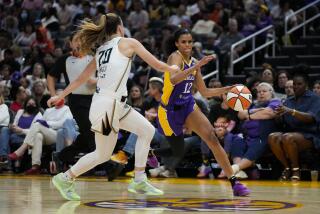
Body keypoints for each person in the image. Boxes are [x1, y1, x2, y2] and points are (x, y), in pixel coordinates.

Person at [47, 13, 203, 201]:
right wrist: (172, 69)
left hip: (113, 104)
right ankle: (65, 178)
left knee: (146, 130)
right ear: (120, 27)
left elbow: (81, 78)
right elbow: (156, 64)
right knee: (102, 154)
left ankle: (139, 178)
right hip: (107, 106)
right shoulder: (128, 42)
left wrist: (60, 95)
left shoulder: (102, 48)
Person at [154, 28, 250, 196]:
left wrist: (228, 88)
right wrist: (197, 66)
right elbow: (174, 79)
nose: (187, 45)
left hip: (188, 106)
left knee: (212, 138)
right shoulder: (175, 57)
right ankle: (151, 153)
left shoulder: (194, 62)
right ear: (177, 43)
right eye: (183, 42)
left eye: (190, 41)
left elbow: (204, 92)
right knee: (177, 149)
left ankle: (234, 182)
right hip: (169, 111)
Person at [47, 33, 96, 167]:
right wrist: (53, 95)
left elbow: (103, 78)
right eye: (76, 40)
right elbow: (51, 76)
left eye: (83, 39)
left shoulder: (94, 57)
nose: (80, 42)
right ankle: (108, 165)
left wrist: (96, 81)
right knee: (91, 132)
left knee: (89, 133)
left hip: (96, 99)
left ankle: (62, 156)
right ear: (70, 43)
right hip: (76, 101)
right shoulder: (65, 59)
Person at [268, 70, 320, 181]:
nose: (296, 86)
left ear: (306, 85)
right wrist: (278, 116)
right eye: (294, 84)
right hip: (290, 132)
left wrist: (291, 111)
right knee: (272, 136)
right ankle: (287, 168)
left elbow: (310, 118)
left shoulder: (315, 98)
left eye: (299, 84)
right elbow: (281, 123)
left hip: (309, 134)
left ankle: (296, 170)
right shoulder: (288, 100)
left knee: (288, 137)